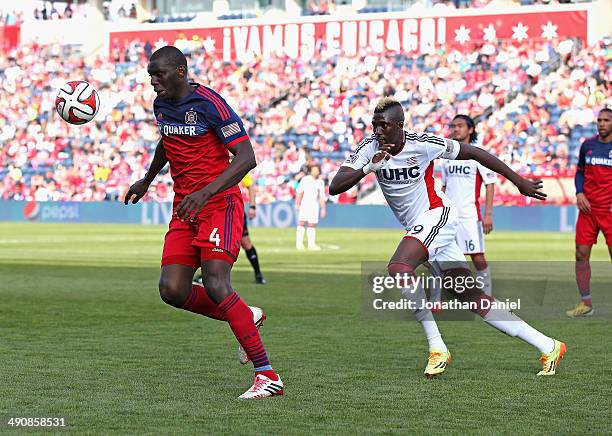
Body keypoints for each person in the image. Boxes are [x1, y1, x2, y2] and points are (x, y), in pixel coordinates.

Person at [329, 98, 566, 378]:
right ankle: (548, 345)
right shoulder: (368, 148)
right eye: (374, 124)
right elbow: (335, 186)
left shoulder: (423, 144)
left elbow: (475, 153)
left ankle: (437, 348)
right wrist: (369, 167)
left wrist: (519, 181)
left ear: (399, 126)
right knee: (472, 297)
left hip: (438, 216)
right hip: (421, 229)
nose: (378, 131)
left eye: (384, 125)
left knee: (398, 267)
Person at [124, 46, 283, 399]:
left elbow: (246, 158)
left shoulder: (211, 104)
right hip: (185, 208)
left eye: (159, 74)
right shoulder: (161, 104)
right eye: (150, 75)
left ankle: (267, 375)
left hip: (218, 204)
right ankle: (245, 315)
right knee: (172, 290)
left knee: (215, 282)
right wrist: (148, 180)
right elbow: (167, 142)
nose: (153, 82)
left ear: (180, 71)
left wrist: (206, 192)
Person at [440, 115, 496, 295]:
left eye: (460, 126)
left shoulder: (478, 154)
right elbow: (444, 186)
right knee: (445, 257)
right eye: (453, 126)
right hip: (448, 216)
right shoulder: (447, 156)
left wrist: (488, 214)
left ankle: (486, 295)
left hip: (469, 216)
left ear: (470, 129)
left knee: (477, 257)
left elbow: (490, 184)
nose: (455, 129)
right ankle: (445, 295)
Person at [567, 108, 612, 317]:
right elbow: (580, 173)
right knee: (581, 254)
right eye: (599, 120)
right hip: (588, 209)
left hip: (609, 211)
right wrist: (579, 193)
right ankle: (586, 304)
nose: (602, 124)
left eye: (606, 120)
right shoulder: (588, 145)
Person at [295, 165, 326, 250]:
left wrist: (323, 208)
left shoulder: (320, 182)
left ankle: (311, 244)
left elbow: (321, 196)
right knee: (302, 222)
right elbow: (299, 192)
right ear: (311, 171)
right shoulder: (305, 179)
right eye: (314, 170)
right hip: (305, 203)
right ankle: (299, 243)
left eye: (317, 170)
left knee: (312, 224)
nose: (315, 172)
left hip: (314, 205)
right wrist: (297, 203)